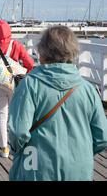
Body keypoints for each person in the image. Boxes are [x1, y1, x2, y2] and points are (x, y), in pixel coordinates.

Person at [8, 26, 107, 181]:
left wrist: (17, 152)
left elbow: (18, 132)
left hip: (35, 166)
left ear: (42, 53)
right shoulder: (88, 89)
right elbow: (102, 137)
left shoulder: (30, 85)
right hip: (78, 169)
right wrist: (79, 154)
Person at [0, 19, 34, 158]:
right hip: (14, 85)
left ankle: (4, 148)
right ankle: (16, 144)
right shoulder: (16, 45)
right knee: (15, 115)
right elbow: (30, 63)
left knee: (1, 115)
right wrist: (25, 75)